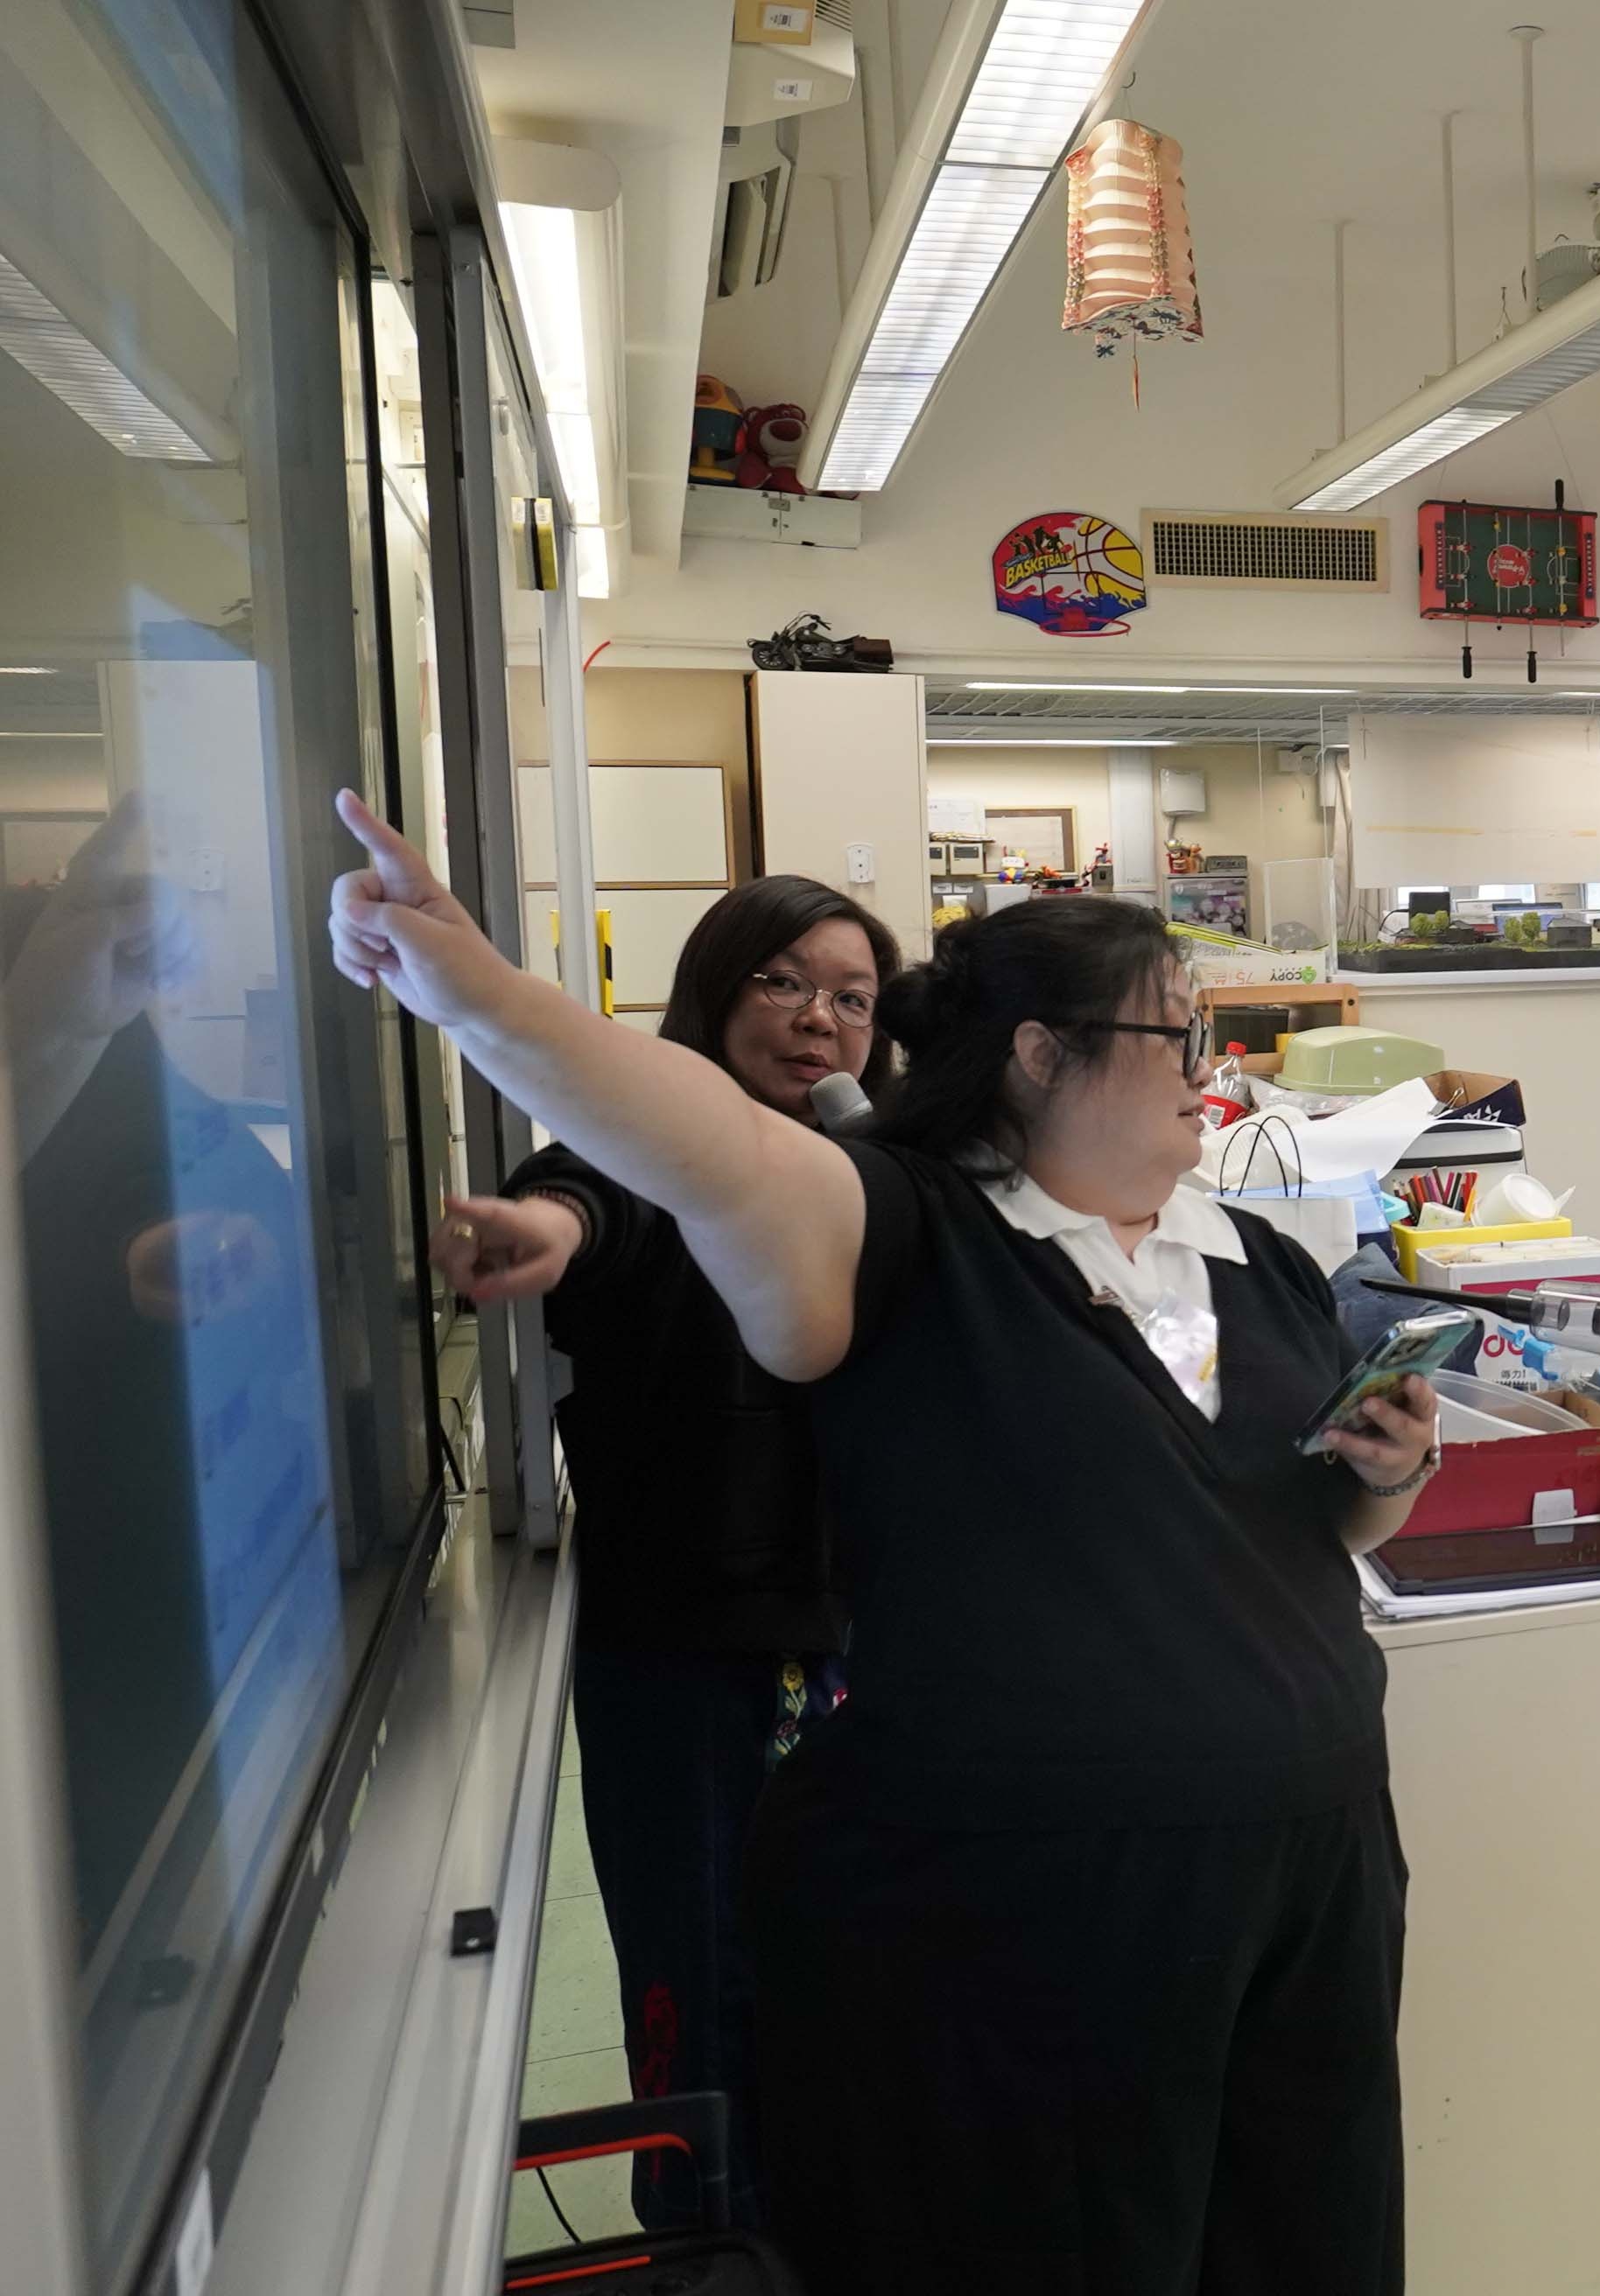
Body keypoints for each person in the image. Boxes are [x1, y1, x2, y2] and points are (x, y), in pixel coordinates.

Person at [324, 792, 1436, 2295]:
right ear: (1042, 1053)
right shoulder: (908, 1234)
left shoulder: (1250, 1260)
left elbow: (1312, 1517)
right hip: (1043, 1907)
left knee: (1305, 2245)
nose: (1209, 1069)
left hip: (1316, 1873)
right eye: (1177, 1033)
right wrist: (477, 992)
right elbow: (701, 1144)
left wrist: (1391, 1471)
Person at [427, 876, 896, 2229]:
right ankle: (703, 2239)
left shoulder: (871, 1168)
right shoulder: (642, 1148)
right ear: (713, 989)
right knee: (701, 1975)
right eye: (783, 983)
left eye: (852, 999)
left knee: (845, 1970)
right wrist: (546, 1232)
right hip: (685, 1658)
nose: (818, 1020)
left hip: (843, 1641)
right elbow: (587, 1200)